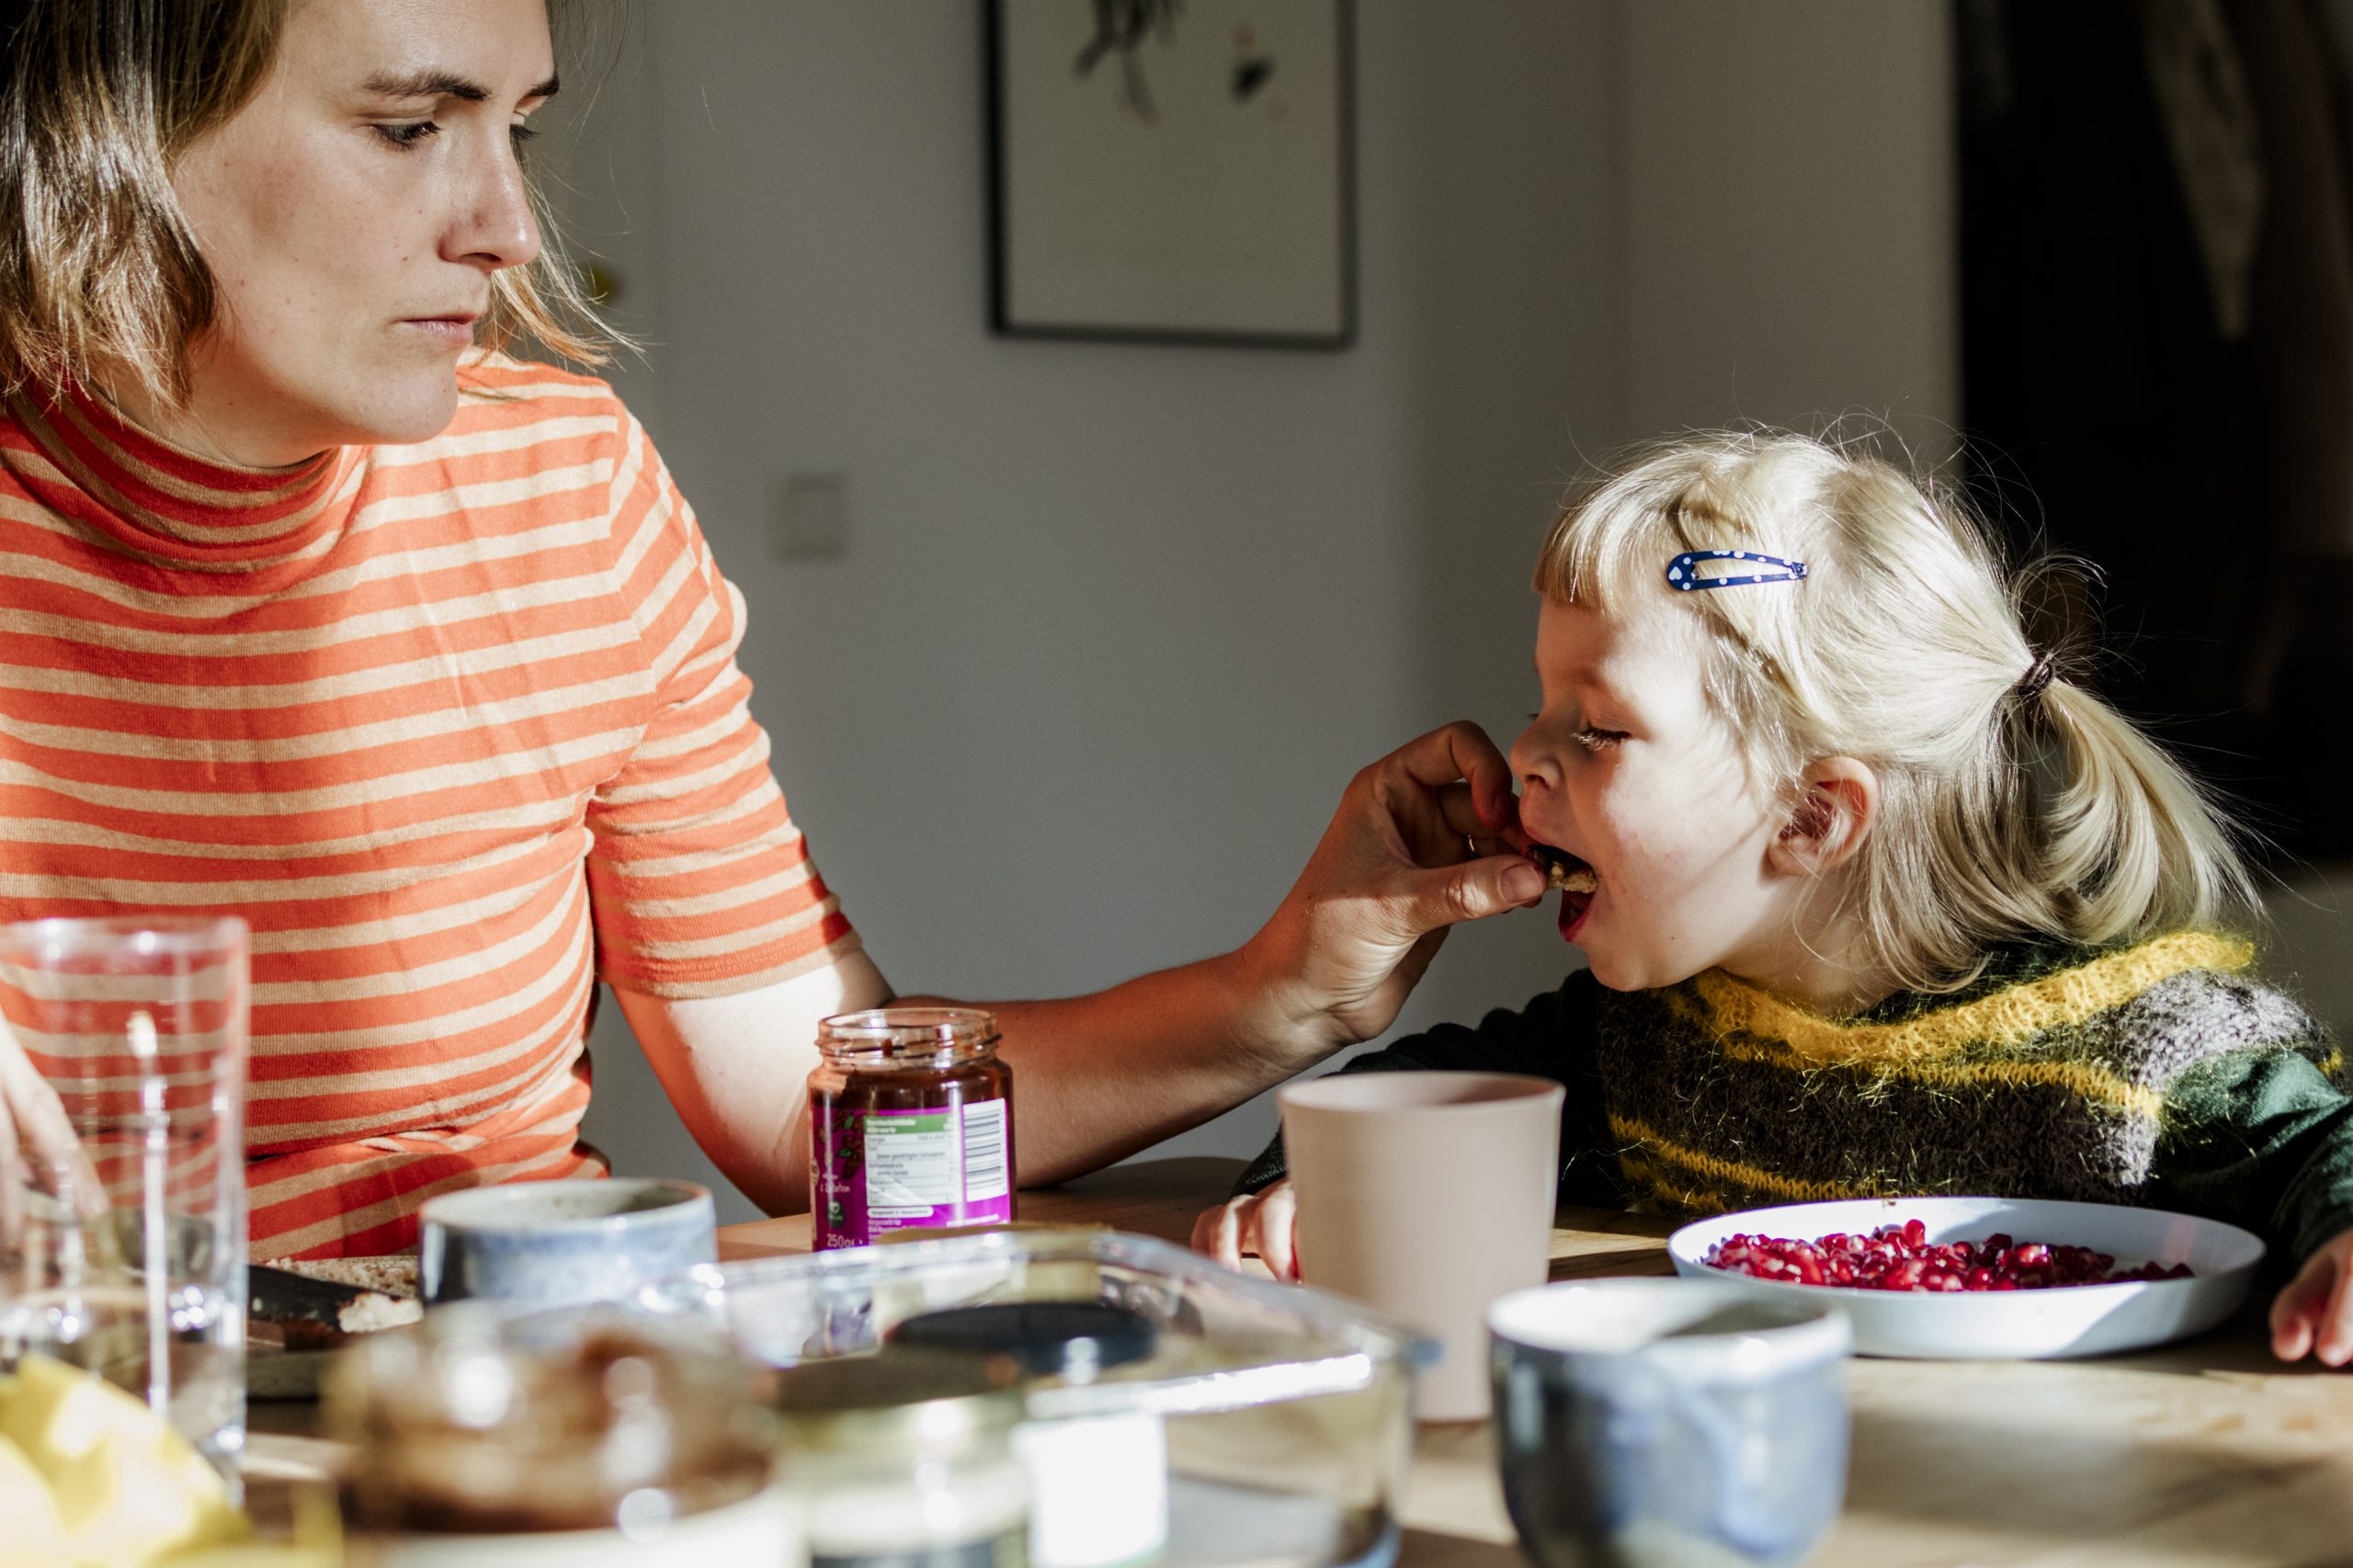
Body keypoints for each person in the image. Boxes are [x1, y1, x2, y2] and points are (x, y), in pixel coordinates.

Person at [0, 0, 1546, 1257]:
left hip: (505, 1420)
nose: (507, 228)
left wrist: (1281, 986)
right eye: (411, 127)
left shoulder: (571, 491)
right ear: (114, 119)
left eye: (516, 129)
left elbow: (807, 1119)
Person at [1195, 431, 2353, 1368]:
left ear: (1809, 817)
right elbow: (1429, 1096)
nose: (1524, 754)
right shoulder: (1652, 1038)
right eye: (1541, 707)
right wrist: (1307, 1189)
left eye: (1595, 727)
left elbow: (2316, 1145)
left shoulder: (2141, 1049)